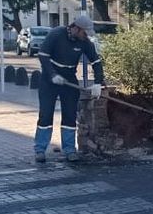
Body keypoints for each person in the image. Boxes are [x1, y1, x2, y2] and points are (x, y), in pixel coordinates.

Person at [35, 14, 105, 163]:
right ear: (76, 28)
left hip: (69, 79)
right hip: (49, 80)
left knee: (70, 115)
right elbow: (43, 55)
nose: (86, 36)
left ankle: (69, 149)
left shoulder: (85, 42)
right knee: (46, 115)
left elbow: (96, 62)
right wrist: (53, 74)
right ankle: (40, 149)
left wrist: (98, 83)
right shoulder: (56, 34)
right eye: (85, 33)